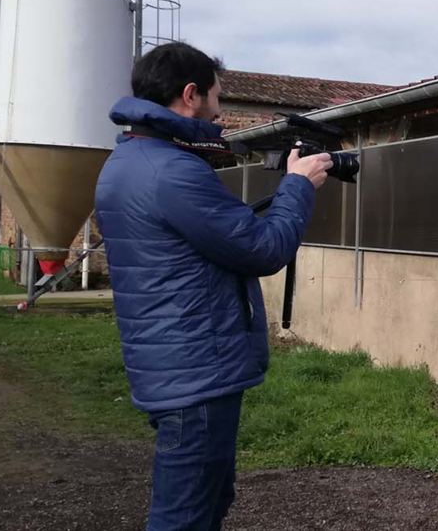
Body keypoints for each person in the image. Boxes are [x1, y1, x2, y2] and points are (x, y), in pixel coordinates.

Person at [95, 42, 332, 530]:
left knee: (205, 504)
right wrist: (298, 185)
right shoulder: (171, 171)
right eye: (217, 100)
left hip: (173, 362)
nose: (221, 115)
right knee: (182, 517)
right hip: (196, 373)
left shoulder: (130, 162)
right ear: (190, 95)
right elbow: (265, 250)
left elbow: (204, 240)